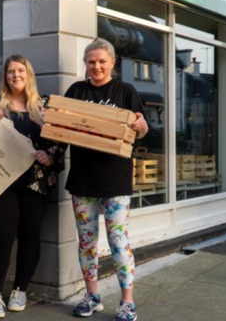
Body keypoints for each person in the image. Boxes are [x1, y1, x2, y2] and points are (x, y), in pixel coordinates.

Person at [0, 55, 64, 318]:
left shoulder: (45, 106)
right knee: (2, 234)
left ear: (29, 74)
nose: (16, 75)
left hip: (36, 180)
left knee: (30, 235)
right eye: (11, 71)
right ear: (5, 76)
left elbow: (62, 139)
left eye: (20, 70)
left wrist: (51, 155)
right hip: (1, 180)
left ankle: (20, 290)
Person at [65, 38, 148, 321]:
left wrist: (139, 124)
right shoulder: (76, 90)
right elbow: (62, 128)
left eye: (102, 61)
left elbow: (143, 127)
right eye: (91, 61)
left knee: (118, 243)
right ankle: (92, 296)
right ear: (86, 64)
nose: (96, 66)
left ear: (113, 63)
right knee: (87, 244)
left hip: (115, 182)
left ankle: (127, 302)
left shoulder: (126, 90)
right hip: (82, 181)